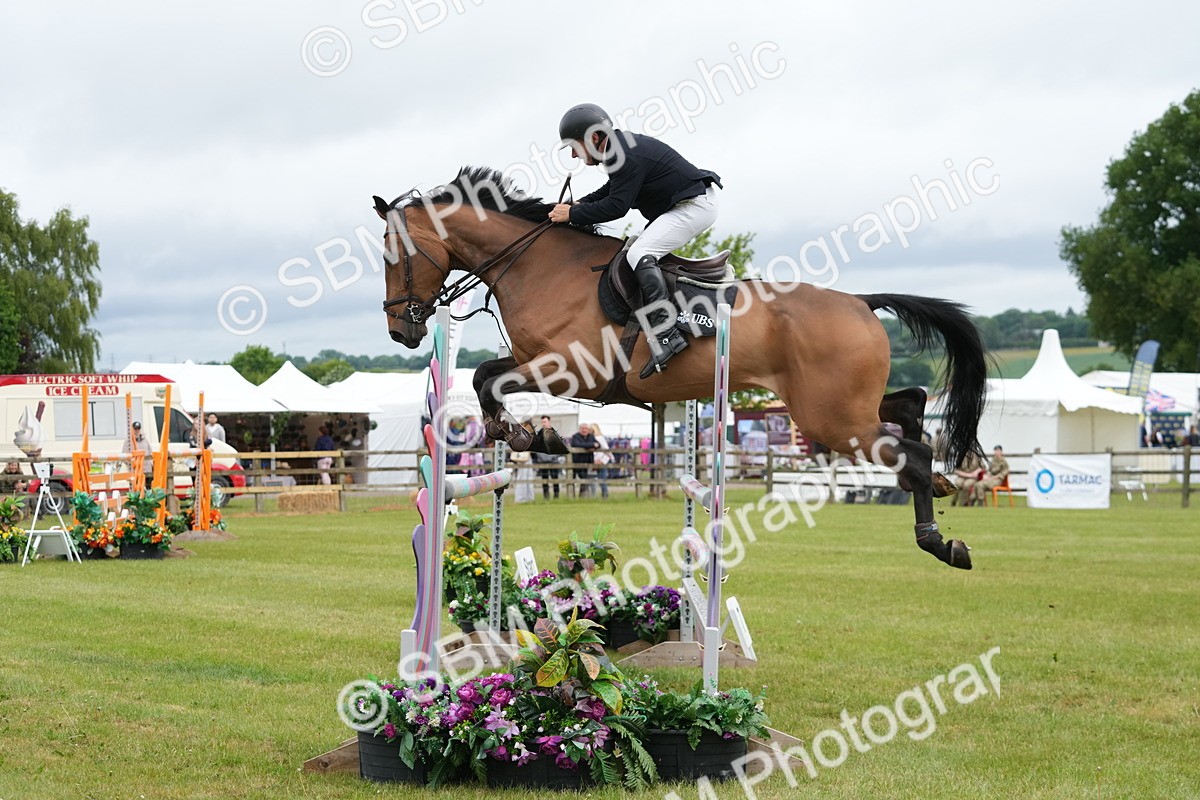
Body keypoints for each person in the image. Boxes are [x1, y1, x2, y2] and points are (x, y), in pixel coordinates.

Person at [549, 103, 722, 379]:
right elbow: (611, 191)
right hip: (685, 204)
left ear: (593, 138)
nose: (573, 154)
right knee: (635, 250)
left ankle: (666, 334)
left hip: (694, 206)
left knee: (639, 252)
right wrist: (580, 204)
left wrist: (572, 213)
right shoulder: (618, 149)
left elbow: (617, 206)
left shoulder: (622, 153)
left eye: (574, 146)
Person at [532, 416, 562, 500]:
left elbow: (558, 446)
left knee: (555, 479)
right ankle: (546, 497)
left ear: (549, 422)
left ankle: (556, 496)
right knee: (544, 480)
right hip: (543, 461)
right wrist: (540, 458)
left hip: (554, 461)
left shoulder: (555, 433)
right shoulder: (539, 433)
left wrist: (554, 456)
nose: (543, 423)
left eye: (544, 421)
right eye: (542, 422)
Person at [568, 423, 600, 498]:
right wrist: (591, 445)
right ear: (580, 429)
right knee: (572, 480)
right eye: (583, 428)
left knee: (584, 481)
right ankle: (571, 496)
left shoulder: (591, 436)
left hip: (586, 463)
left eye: (586, 428)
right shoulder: (575, 436)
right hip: (576, 462)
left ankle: (581, 497)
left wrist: (588, 445)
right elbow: (576, 444)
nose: (584, 430)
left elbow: (598, 445)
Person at [510, 420, 536, 504]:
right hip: (523, 458)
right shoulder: (520, 432)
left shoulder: (527, 432)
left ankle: (527, 497)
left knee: (527, 478)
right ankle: (522, 498)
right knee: (523, 478)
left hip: (527, 457)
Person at [591, 423, 613, 500]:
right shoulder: (592, 438)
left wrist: (603, 460)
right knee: (595, 480)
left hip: (600, 461)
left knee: (601, 479)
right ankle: (593, 496)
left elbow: (607, 450)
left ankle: (605, 495)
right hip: (594, 461)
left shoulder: (599, 438)